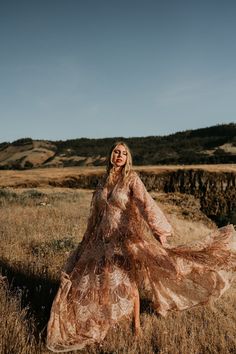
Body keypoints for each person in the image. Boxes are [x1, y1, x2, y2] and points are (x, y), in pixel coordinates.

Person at [46, 141, 236, 352]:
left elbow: (146, 204)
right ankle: (104, 322)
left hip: (123, 239)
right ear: (110, 155)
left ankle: (136, 326)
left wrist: (160, 232)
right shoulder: (102, 181)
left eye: (123, 153)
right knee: (98, 281)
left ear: (128, 158)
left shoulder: (131, 179)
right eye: (116, 152)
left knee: (128, 280)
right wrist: (86, 239)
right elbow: (95, 216)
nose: (119, 155)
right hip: (100, 241)